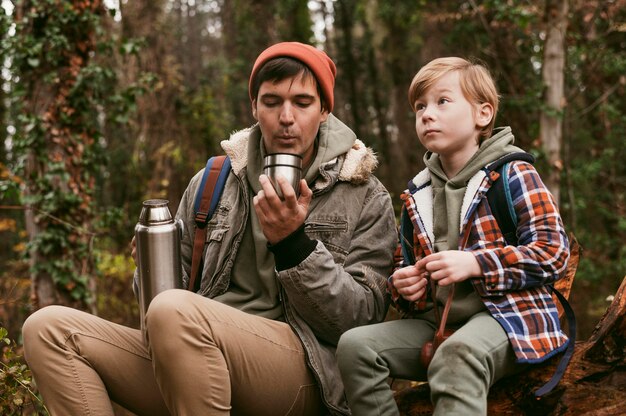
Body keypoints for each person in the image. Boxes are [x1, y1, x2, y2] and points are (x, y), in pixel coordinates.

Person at [22, 41, 397, 416]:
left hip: (305, 371)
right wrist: (151, 269)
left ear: (324, 110)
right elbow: (167, 301)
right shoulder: (214, 181)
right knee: (48, 330)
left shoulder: (363, 193)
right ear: (253, 107)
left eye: (302, 102)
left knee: (176, 312)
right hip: (194, 356)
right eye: (271, 102)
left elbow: (361, 319)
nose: (286, 117)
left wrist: (293, 246)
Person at [336, 57, 570, 415]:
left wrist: (476, 263)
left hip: (508, 317)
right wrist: (404, 286)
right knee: (356, 347)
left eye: (442, 101)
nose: (428, 114)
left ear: (483, 114)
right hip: (439, 325)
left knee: (455, 356)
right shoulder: (418, 193)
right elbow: (407, 269)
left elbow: (554, 252)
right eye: (420, 106)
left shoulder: (512, 173)